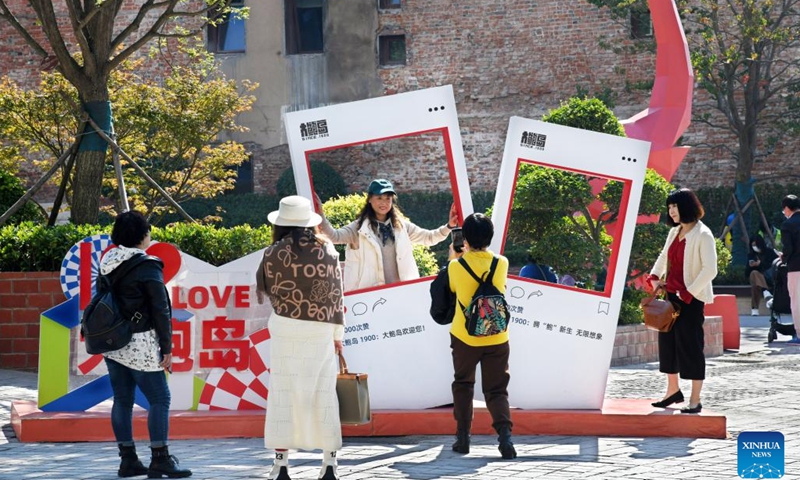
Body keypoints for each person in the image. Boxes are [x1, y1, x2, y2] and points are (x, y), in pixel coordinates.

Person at [256, 195, 345, 480]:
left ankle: (281, 465)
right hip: (321, 328)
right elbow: (336, 296)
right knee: (324, 392)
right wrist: (337, 335)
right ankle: (329, 464)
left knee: (283, 394)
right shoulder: (328, 250)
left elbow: (266, 289)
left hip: (286, 327)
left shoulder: (272, 253)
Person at [101, 211, 191, 478]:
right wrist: (167, 347)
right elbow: (160, 308)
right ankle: (160, 459)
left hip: (113, 340)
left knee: (122, 400)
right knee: (160, 398)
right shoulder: (148, 264)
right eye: (148, 232)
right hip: (140, 341)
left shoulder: (107, 260)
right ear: (142, 235)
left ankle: (127, 460)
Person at [445, 213, 516, 459]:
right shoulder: (502, 263)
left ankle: (463, 438)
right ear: (490, 236)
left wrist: (456, 254)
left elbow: (453, 288)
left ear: (465, 237)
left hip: (465, 336)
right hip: (497, 335)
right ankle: (505, 439)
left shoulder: (456, 266)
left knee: (464, 384)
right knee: (497, 390)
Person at [317, 178, 458, 290]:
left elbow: (429, 238)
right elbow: (333, 236)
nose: (384, 203)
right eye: (379, 198)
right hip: (369, 296)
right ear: (370, 199)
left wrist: (449, 226)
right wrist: (320, 215)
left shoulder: (401, 226)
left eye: (388, 198)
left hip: (401, 291)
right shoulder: (359, 228)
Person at [647, 188, 717, 414]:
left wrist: (688, 292)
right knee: (667, 345)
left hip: (691, 299)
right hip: (670, 297)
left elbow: (710, 269)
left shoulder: (703, 234)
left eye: (675, 207)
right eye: (669, 207)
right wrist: (654, 277)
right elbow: (663, 256)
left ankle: (695, 400)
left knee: (691, 347)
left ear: (687, 207)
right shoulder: (674, 232)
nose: (671, 211)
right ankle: (673, 392)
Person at [780, 194, 800, 343]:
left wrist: (783, 257)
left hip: (796, 267)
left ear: (787, 208)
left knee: (797, 301)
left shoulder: (788, 225)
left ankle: (799, 334)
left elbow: (789, 248)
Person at [746, 234, 778, 316]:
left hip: (769, 278)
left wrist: (760, 264)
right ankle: (766, 291)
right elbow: (746, 273)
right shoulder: (751, 255)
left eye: (755, 245)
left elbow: (774, 265)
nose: (754, 247)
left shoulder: (770, 253)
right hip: (758, 278)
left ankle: (754, 308)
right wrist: (751, 266)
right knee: (754, 274)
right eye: (752, 245)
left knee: (756, 285)